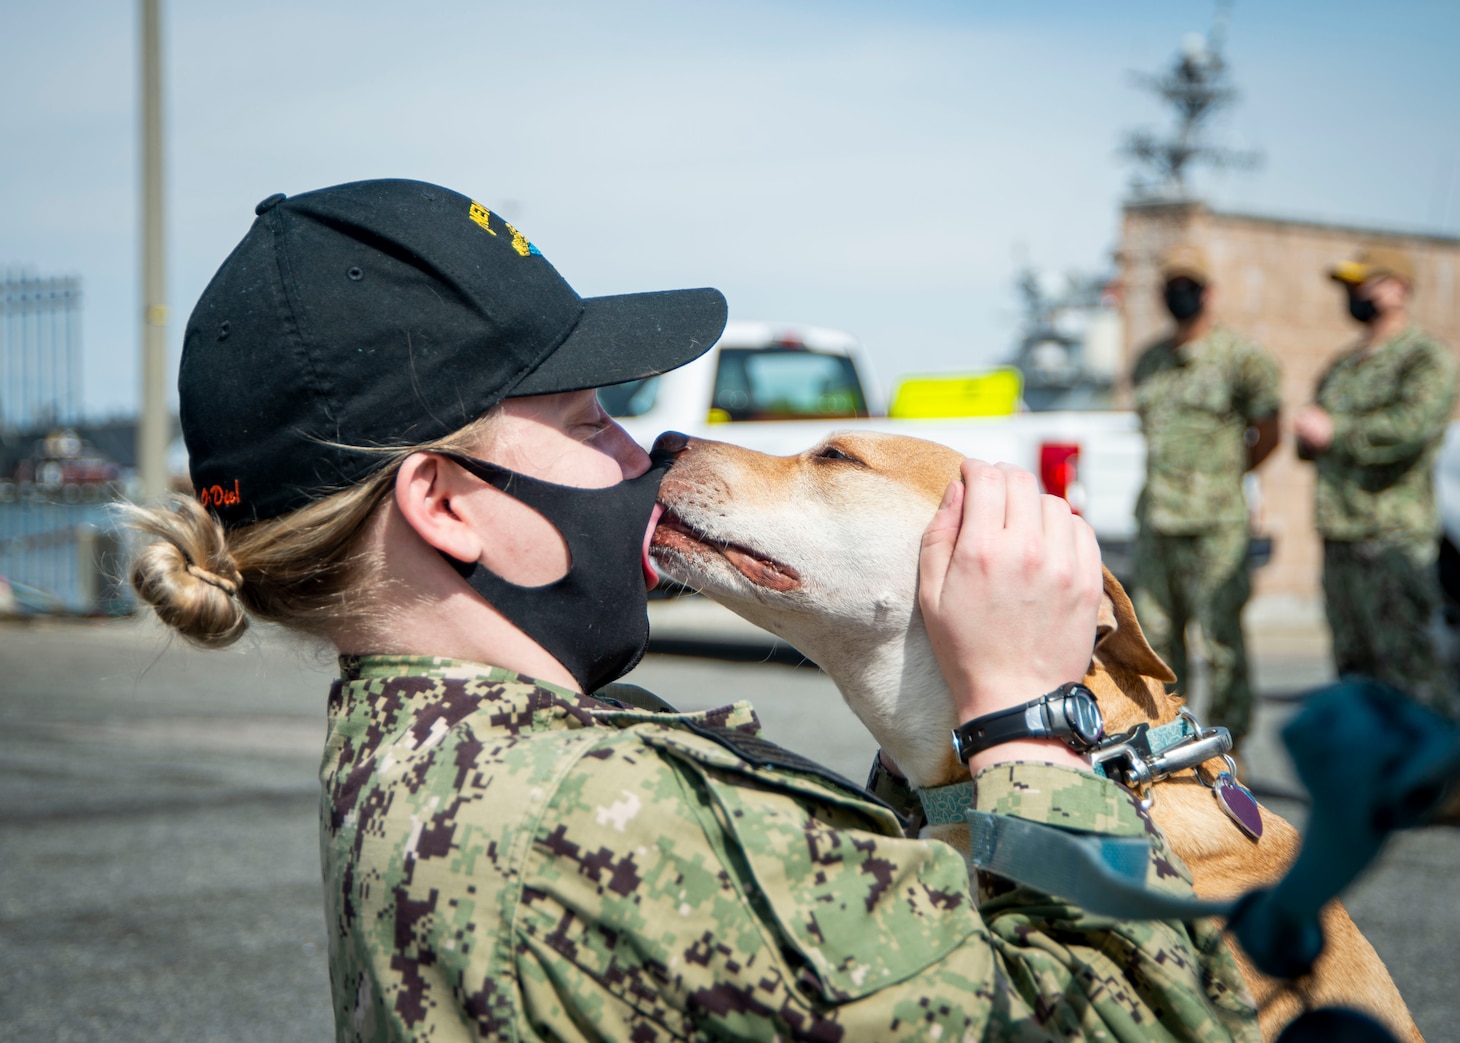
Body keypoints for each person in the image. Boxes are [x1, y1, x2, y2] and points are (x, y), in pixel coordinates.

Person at [129, 180, 1256, 1041]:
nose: (641, 452)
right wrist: (1022, 720)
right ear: (445, 504)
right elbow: (1138, 1013)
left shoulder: (420, 749)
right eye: (584, 424)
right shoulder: (585, 821)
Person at [1294, 243, 1458, 719]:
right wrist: (1309, 433)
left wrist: (1335, 430)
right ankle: (1373, 785)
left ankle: (1441, 786)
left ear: (1398, 289)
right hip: (1341, 535)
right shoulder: (1344, 365)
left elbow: (1413, 427)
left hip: (1392, 539)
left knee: (1412, 672)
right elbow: (1313, 439)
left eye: (1361, 284)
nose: (1353, 294)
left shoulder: (1424, 358)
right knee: (1355, 674)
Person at [1129, 245, 1282, 752]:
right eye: (1170, 285)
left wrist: (1230, 477)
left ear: (1209, 293)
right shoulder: (1150, 361)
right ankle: (1171, 745)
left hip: (1216, 522)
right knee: (1155, 639)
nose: (1179, 294)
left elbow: (1269, 429)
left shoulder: (1241, 358)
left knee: (1220, 641)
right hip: (1157, 520)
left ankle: (1233, 748)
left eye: (1189, 285)